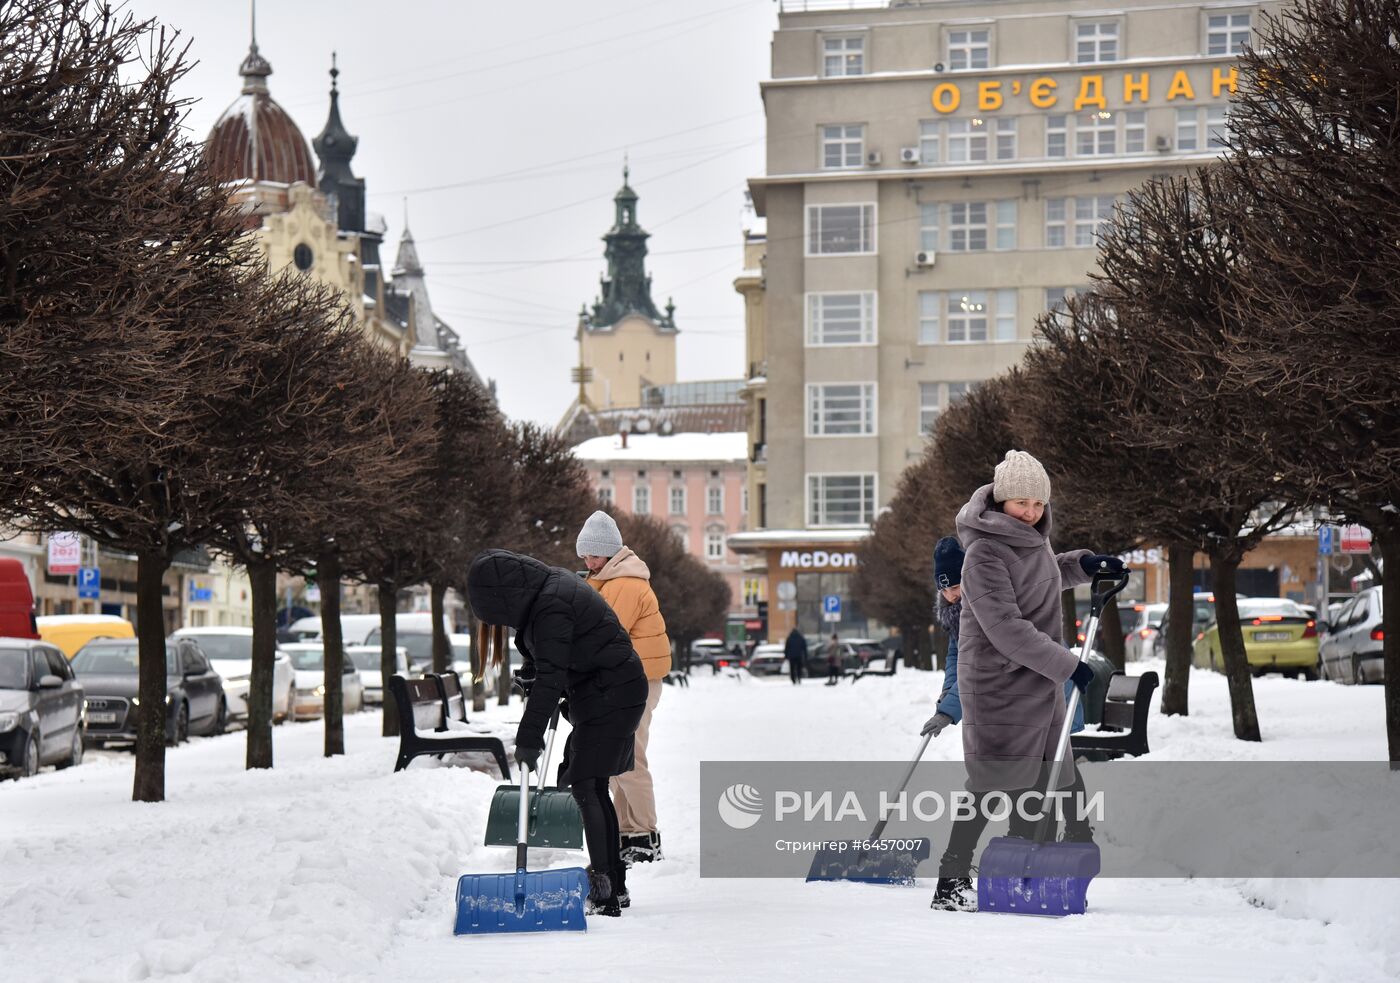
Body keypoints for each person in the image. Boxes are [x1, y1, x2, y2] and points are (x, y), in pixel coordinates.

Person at [930, 450, 1125, 912]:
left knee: (1056, 774)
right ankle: (951, 879)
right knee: (989, 784)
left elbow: (1043, 577)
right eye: (1022, 503)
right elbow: (1005, 628)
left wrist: (1086, 565)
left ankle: (1037, 862)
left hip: (1034, 679)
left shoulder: (1029, 541)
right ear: (1000, 501)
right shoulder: (981, 552)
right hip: (999, 684)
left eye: (1038, 504)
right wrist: (1068, 665)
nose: (1033, 512)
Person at [467, 548, 647, 918]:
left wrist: (529, 738)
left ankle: (605, 892)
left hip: (611, 695)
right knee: (593, 786)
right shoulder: (547, 591)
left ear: (504, 597)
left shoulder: (551, 603)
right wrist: (534, 671)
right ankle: (614, 883)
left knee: (586, 785)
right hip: (611, 691)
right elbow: (557, 658)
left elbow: (554, 675)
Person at [575, 510, 671, 867]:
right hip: (628, 680)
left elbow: (603, 633)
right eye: (584, 555)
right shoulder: (609, 581)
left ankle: (644, 833)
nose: (588, 561)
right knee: (620, 760)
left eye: (594, 555)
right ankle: (629, 831)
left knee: (630, 759)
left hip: (638, 681)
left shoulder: (625, 585)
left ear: (611, 552)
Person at [921, 536, 966, 739]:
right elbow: (956, 656)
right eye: (944, 590)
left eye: (955, 587)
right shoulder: (954, 613)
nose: (950, 596)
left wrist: (948, 710)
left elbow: (980, 664)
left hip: (1039, 702)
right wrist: (948, 689)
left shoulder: (983, 610)